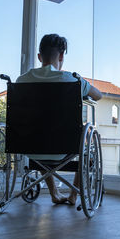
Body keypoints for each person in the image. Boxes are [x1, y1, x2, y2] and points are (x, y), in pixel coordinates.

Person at [16, 34, 102, 205]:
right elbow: (98, 95)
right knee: (86, 135)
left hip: (29, 147)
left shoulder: (21, 80)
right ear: (62, 56)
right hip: (64, 147)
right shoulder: (73, 80)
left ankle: (54, 193)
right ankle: (73, 195)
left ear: (39, 56)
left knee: (39, 134)